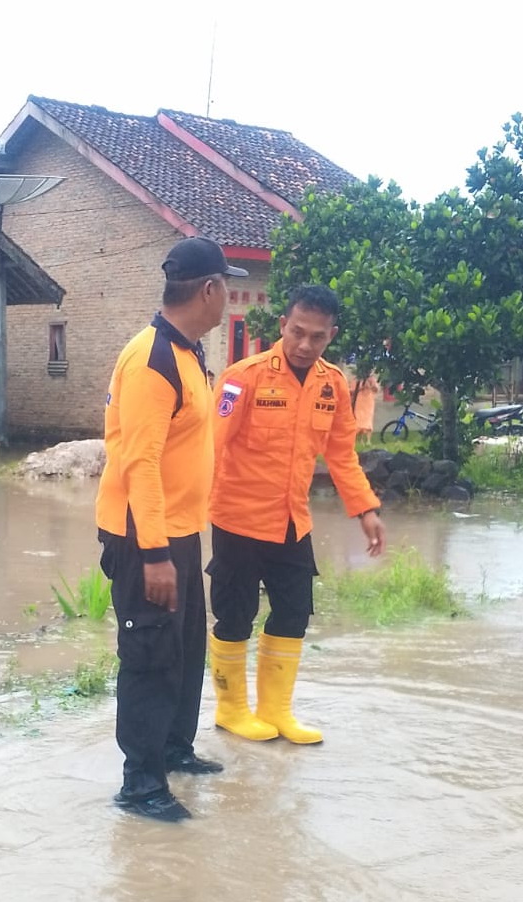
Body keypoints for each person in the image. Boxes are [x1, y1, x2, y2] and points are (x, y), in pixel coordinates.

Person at [95, 236, 248, 822]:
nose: (227, 299)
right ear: (209, 290)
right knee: (150, 656)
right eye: (225, 288)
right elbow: (142, 464)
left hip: (179, 533)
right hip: (144, 538)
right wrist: (155, 554)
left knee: (181, 652)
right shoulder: (153, 359)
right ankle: (141, 786)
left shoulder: (188, 353)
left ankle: (174, 751)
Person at [207, 284, 386, 745]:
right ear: (282, 325)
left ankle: (277, 711)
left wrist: (365, 509)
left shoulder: (332, 385)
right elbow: (210, 446)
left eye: (318, 337)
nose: (306, 345)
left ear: (332, 335)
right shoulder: (242, 377)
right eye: (298, 332)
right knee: (234, 614)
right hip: (237, 519)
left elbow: (342, 455)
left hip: (291, 521)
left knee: (294, 612)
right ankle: (231, 710)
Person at [350, 370, 380, 443]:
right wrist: (361, 387)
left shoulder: (372, 379)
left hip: (368, 401)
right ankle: (360, 438)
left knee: (368, 419)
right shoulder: (356, 379)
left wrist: (371, 384)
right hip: (359, 401)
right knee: (359, 419)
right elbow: (351, 391)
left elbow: (376, 389)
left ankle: (368, 440)